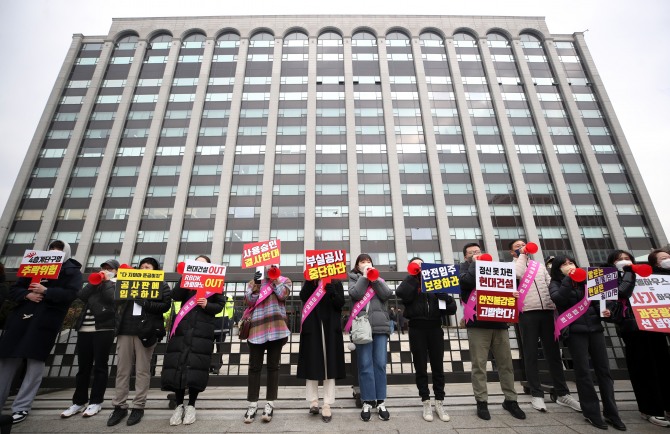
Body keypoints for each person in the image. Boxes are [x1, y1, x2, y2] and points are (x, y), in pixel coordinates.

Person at [0, 240, 82, 425]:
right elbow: (15, 289)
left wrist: (47, 291)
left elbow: (71, 294)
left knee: (34, 363)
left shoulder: (71, 271)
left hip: (45, 320)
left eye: (59, 249)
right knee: (6, 361)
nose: (55, 252)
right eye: (52, 249)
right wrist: (27, 295)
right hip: (20, 319)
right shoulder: (34, 265)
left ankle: (21, 406)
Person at [549, 255, 626, 431]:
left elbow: (600, 302)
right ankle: (591, 412)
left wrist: (605, 311)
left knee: (604, 372)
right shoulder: (556, 283)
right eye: (564, 265)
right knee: (583, 372)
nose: (569, 266)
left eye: (571, 263)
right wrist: (569, 278)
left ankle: (612, 412)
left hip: (595, 329)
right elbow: (559, 300)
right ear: (557, 269)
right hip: (575, 332)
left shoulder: (589, 280)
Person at [509, 240, 580, 413]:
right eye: (517, 247)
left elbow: (550, 284)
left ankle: (563, 393)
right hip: (527, 313)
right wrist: (523, 254)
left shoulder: (539, 266)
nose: (522, 247)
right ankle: (536, 393)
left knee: (554, 353)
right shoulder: (510, 266)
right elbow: (518, 274)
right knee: (531, 354)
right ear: (512, 253)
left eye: (523, 245)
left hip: (548, 312)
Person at [459, 242, 526, 421]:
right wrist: (475, 263)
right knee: (479, 365)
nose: (476, 253)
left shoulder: (495, 268)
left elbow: (512, 284)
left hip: (499, 322)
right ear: (466, 257)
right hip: (477, 325)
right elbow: (467, 283)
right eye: (471, 252)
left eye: (478, 251)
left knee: (506, 364)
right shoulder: (463, 269)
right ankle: (481, 401)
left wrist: (514, 294)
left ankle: (511, 400)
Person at [606, 249, 670, 427]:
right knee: (642, 368)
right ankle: (650, 409)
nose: (624, 261)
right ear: (612, 264)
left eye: (627, 258)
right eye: (619, 259)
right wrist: (628, 273)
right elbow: (620, 295)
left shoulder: (648, 273)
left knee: (663, 366)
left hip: (656, 325)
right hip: (632, 328)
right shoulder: (608, 278)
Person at [107, 257, 171, 427]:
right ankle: (119, 406)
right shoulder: (128, 282)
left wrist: (145, 303)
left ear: (155, 271)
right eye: (142, 266)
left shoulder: (162, 285)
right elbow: (114, 301)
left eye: (148, 267)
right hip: (125, 330)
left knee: (143, 370)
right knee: (122, 370)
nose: (144, 268)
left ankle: (138, 406)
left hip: (146, 332)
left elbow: (165, 306)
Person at [162, 255, 225, 426]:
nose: (199, 266)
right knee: (179, 364)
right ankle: (179, 405)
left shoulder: (214, 282)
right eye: (196, 263)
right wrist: (185, 277)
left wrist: (207, 305)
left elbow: (220, 305)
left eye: (203, 264)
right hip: (182, 328)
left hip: (202, 330)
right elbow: (175, 295)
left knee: (197, 366)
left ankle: (191, 405)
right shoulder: (186, 280)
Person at [396, 257, 456, 422]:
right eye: (417, 265)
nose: (420, 267)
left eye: (423, 264)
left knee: (438, 366)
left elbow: (452, 309)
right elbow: (401, 294)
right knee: (420, 366)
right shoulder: (410, 283)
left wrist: (445, 296)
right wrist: (414, 277)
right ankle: (425, 401)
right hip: (417, 328)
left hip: (435, 328)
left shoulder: (439, 283)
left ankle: (439, 401)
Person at [61, 259, 119, 419]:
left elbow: (112, 299)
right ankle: (78, 402)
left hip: (103, 329)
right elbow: (81, 296)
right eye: (104, 267)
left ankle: (96, 401)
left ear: (116, 271)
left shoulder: (116, 283)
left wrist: (107, 281)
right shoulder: (95, 283)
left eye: (110, 268)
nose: (106, 270)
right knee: (83, 367)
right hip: (84, 329)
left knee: (100, 366)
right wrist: (94, 282)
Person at [243, 265, 291, 424]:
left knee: (273, 366)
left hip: (277, 329)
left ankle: (270, 402)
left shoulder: (284, 280)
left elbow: (283, 295)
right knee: (254, 367)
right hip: (257, 329)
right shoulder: (253, 282)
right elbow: (249, 301)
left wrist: (275, 279)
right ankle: (252, 403)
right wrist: (257, 283)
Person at [348, 254, 393, 422]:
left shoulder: (378, 278)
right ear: (357, 266)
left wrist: (374, 279)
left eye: (368, 262)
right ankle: (367, 400)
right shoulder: (353, 278)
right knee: (365, 364)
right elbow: (356, 294)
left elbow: (386, 294)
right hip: (362, 327)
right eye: (362, 262)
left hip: (380, 326)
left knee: (380, 364)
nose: (366, 264)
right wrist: (365, 278)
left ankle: (381, 401)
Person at [297, 278, 346, 423]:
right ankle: (313, 402)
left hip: (330, 327)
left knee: (330, 365)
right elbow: (303, 297)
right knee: (312, 362)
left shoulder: (336, 282)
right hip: (312, 327)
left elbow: (340, 303)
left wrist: (332, 293)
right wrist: (309, 281)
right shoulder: (310, 282)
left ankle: (326, 404)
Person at [211, 296, 234, 375]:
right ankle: (217, 365)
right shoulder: (227, 296)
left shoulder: (208, 291)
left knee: (209, 346)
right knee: (220, 345)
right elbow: (230, 310)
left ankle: (210, 365)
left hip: (210, 318)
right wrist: (228, 319)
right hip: (222, 320)